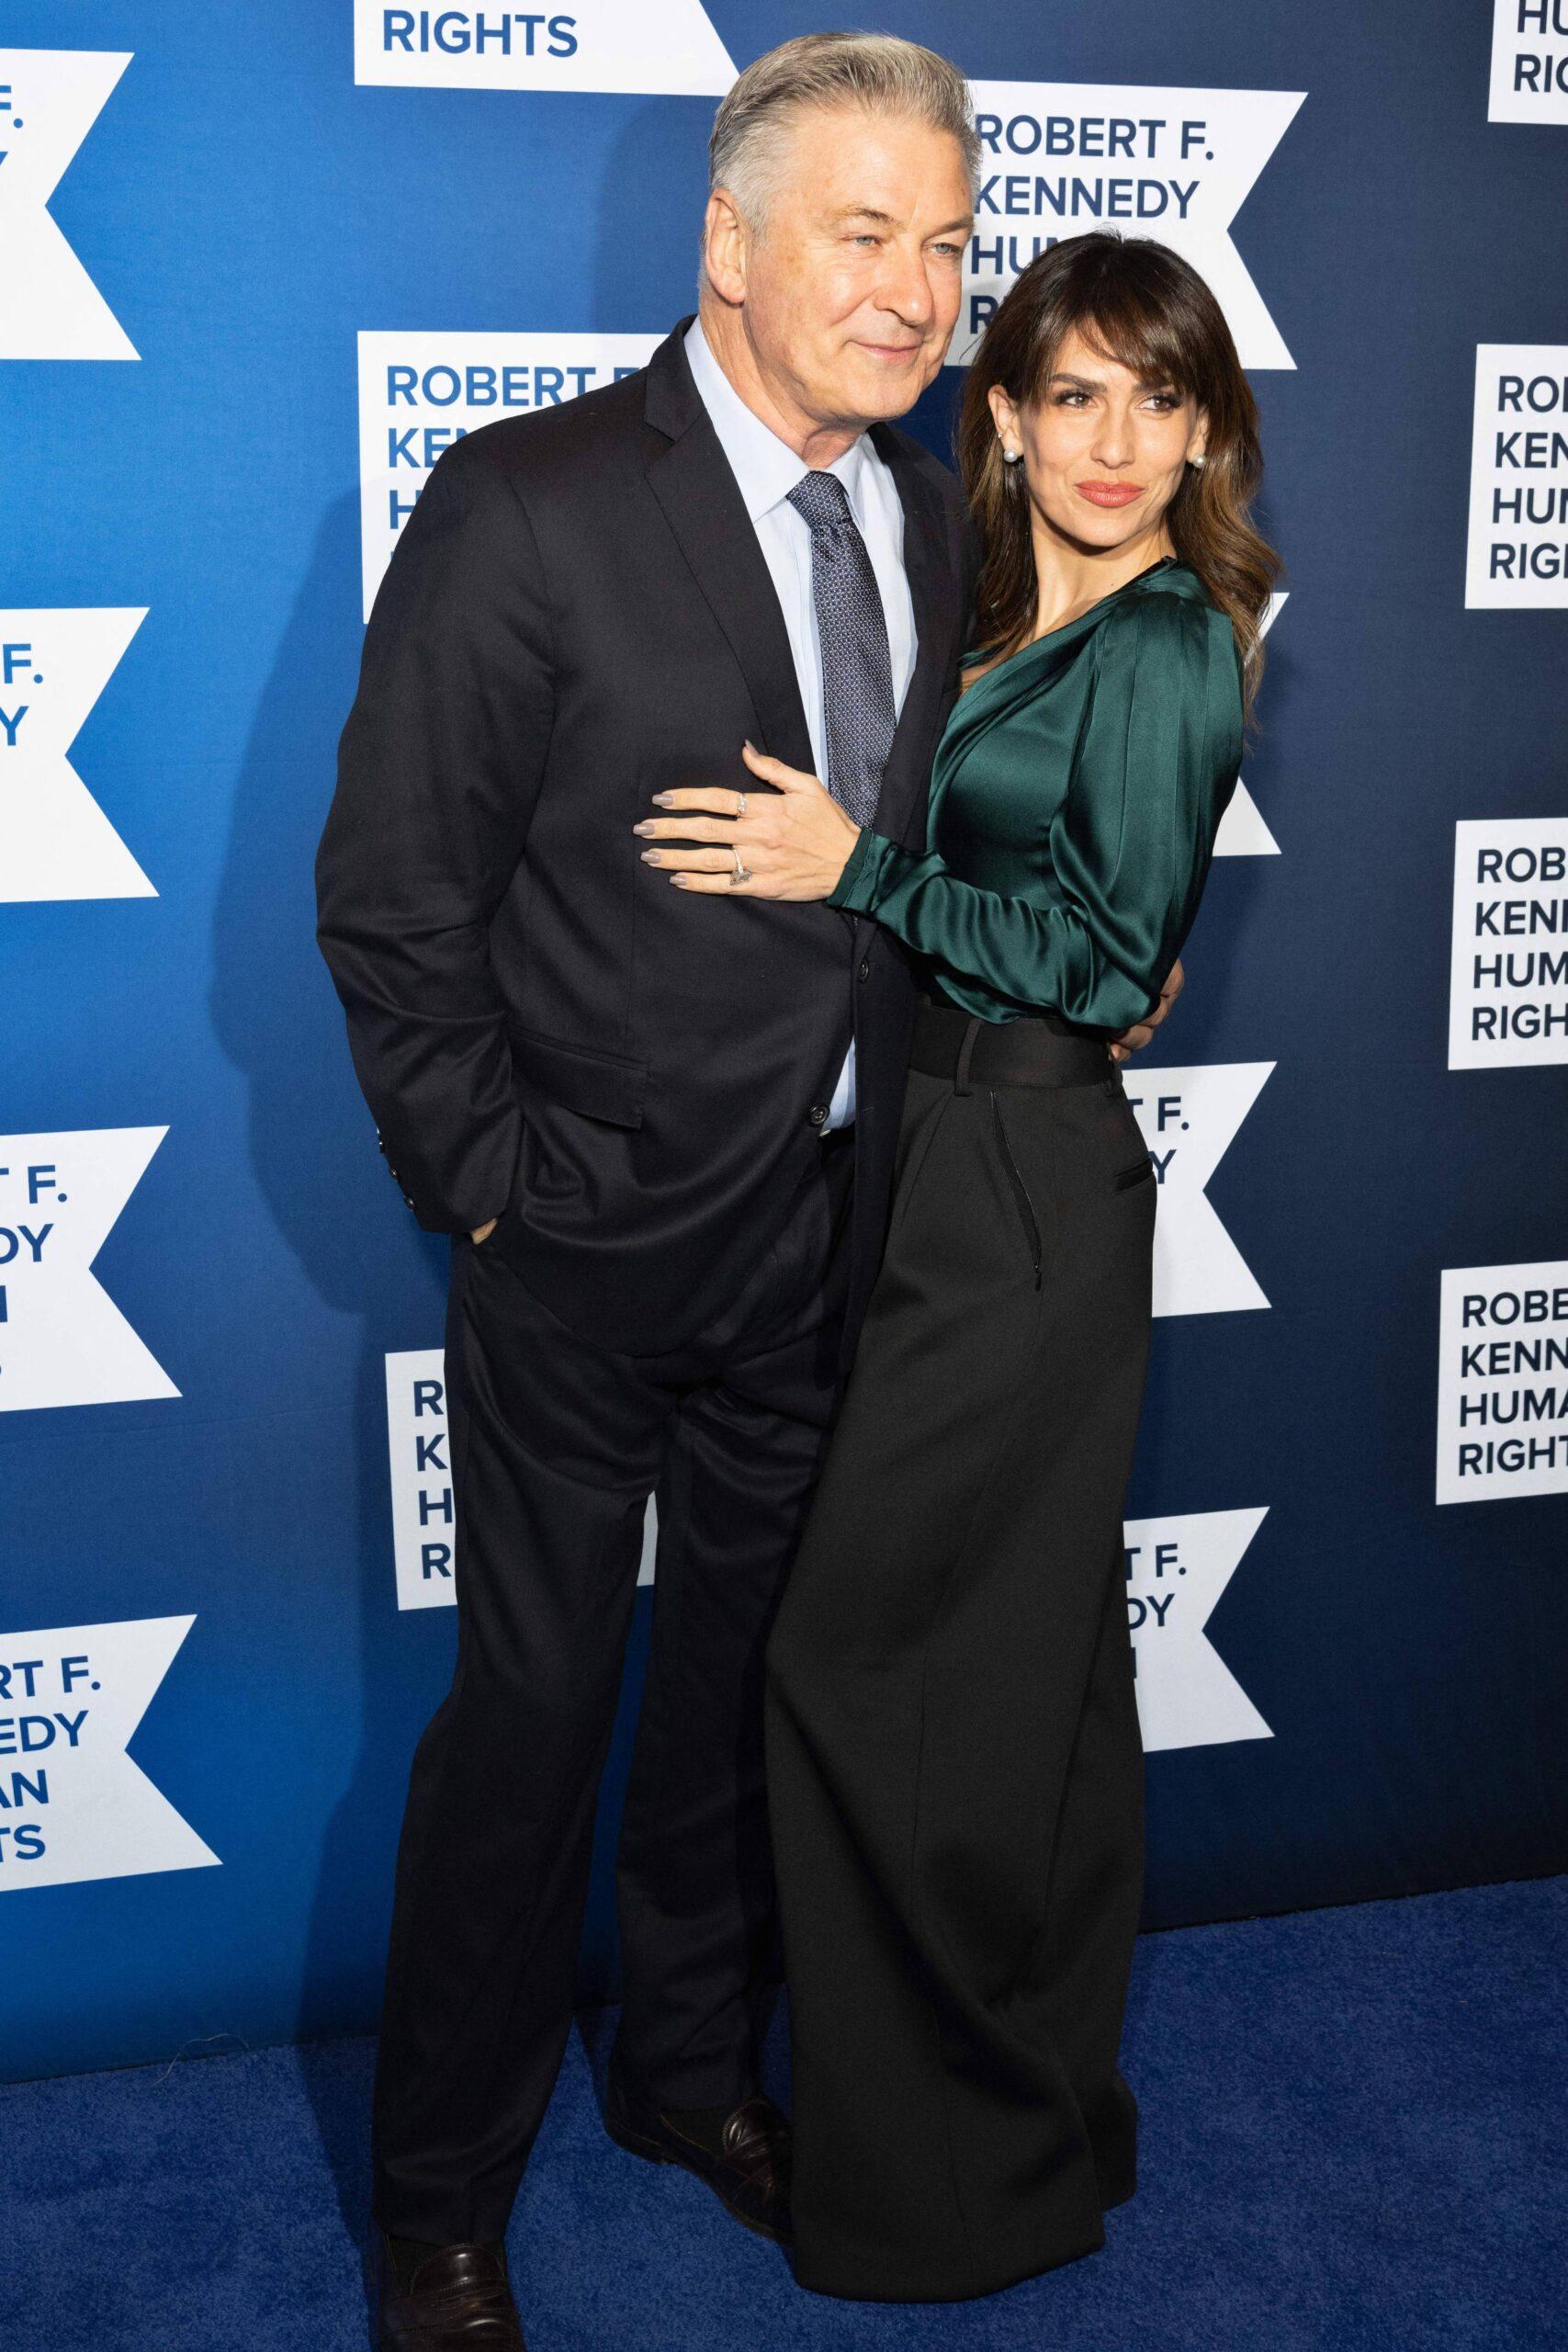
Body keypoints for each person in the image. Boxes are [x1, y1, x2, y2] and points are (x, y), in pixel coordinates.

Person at [316, 36, 1177, 2352]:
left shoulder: (934, 521)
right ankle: (436, 2201)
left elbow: (990, 861)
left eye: (943, 243)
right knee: (530, 1723)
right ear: (727, 242)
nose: (915, 294)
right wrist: (493, 1199)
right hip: (578, 1261)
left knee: (746, 1700)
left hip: (844, 1255)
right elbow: (393, 905)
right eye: (861, 233)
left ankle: (687, 2078)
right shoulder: (526, 504)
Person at [644, 230, 1280, 2301]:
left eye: (1158, 399)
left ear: (1203, 430)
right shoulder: (987, 597)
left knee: (875, 1669)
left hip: (1020, 1193)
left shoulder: (1180, 634)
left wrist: (862, 866)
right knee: (1026, 1686)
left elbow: (1102, 963)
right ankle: (1023, 2121)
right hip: (933, 1163)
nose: (1116, 441)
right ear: (996, 412)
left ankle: (933, 2179)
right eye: (1072, 393)